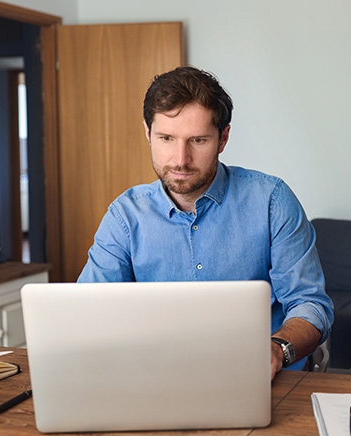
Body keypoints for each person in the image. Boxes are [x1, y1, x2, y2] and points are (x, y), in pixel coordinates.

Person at [78, 66, 334, 378]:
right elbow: (89, 312)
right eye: (166, 139)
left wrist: (278, 348)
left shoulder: (271, 200)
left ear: (223, 138)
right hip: (158, 376)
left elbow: (310, 304)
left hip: (265, 378)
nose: (180, 159)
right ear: (147, 133)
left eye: (198, 140)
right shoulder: (125, 216)